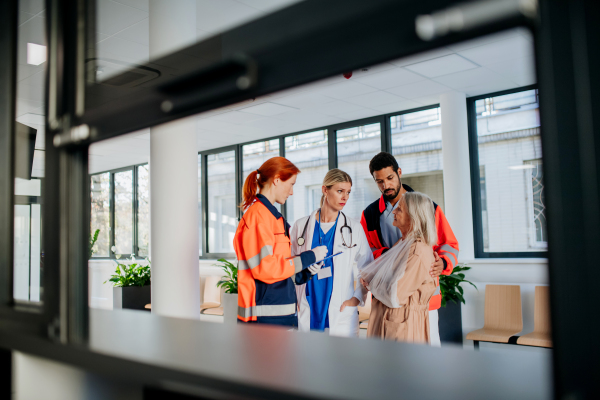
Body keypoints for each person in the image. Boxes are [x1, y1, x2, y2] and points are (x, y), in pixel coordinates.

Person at [360, 152, 459, 346]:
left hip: (422, 301)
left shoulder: (428, 207)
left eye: (390, 178)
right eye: (379, 181)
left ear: (399, 172)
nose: (385, 185)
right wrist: (390, 255)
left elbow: (450, 244)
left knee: (426, 352)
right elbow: (366, 252)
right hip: (389, 298)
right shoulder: (370, 215)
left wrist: (444, 262)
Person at [234, 157, 328, 327]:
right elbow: (265, 269)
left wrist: (305, 272)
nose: (291, 192)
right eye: (291, 184)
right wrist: (308, 257)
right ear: (277, 180)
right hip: (264, 319)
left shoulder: (273, 217)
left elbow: (279, 269)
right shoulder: (258, 216)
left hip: (279, 315)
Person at [290, 169, 373, 337]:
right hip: (308, 304)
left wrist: (356, 298)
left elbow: (368, 267)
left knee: (340, 361)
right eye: (340, 191)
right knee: (309, 359)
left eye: (348, 192)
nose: (345, 197)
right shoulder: (300, 226)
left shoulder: (354, 228)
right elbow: (289, 265)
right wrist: (293, 298)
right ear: (325, 190)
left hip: (341, 309)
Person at [361, 192, 437, 344]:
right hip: (389, 319)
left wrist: (371, 283)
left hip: (402, 325)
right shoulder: (403, 243)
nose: (393, 212)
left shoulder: (417, 252)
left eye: (399, 209)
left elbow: (394, 296)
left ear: (414, 217)